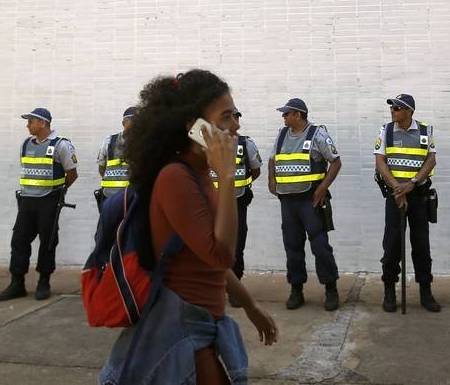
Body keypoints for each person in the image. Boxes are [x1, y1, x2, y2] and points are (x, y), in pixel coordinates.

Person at [100, 69, 278, 384]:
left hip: (203, 320)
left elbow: (205, 259)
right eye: (225, 116)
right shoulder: (176, 177)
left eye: (235, 115)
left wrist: (250, 305)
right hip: (182, 328)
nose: (236, 125)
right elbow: (221, 255)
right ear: (194, 127)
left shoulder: (200, 173)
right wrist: (227, 176)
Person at [0, 107, 77, 302]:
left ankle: (43, 282)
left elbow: (72, 174)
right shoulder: (26, 144)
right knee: (18, 240)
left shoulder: (61, 145)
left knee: (48, 241)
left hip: (49, 200)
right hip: (27, 200)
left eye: (30, 121)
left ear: (42, 123)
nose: (27, 125)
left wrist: (58, 192)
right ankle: (17, 283)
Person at [268, 97, 342, 311]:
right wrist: (271, 179)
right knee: (292, 246)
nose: (283, 117)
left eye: (286, 113)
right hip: (287, 201)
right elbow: (273, 159)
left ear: (298, 115)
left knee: (320, 246)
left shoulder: (317, 134)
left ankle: (331, 289)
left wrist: (322, 188)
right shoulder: (282, 134)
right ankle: (296, 289)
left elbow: (336, 162)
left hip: (310, 201)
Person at [373, 93, 440, 312]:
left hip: (418, 194)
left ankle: (425, 291)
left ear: (409, 111)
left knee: (421, 245)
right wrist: (397, 188)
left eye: (397, 108)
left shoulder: (425, 131)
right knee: (392, 245)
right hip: (395, 196)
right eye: (392, 108)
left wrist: (412, 183)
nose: (392, 111)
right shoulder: (386, 130)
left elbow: (431, 160)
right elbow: (380, 162)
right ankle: (389, 290)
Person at [210, 108, 262, 307]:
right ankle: (215, 286)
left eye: (235, 117)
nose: (233, 122)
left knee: (236, 246)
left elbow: (255, 170)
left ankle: (234, 288)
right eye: (228, 117)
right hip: (210, 202)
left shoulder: (246, 143)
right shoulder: (207, 143)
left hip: (237, 202)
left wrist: (239, 185)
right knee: (210, 245)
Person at [95, 106, 138, 209]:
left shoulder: (145, 143)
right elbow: (101, 168)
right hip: (110, 196)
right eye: (131, 121)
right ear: (123, 123)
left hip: (134, 197)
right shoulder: (109, 141)